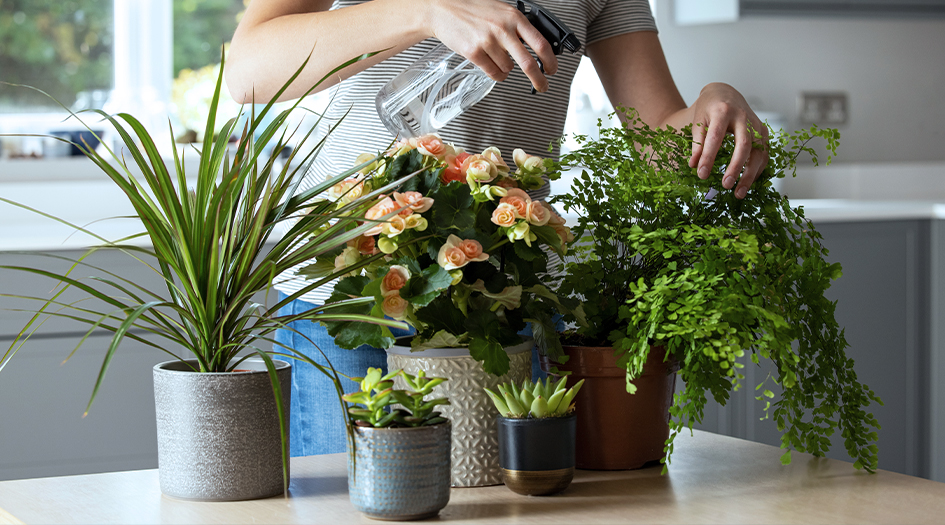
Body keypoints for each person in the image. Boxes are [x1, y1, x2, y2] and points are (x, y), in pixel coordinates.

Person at [225, 0, 769, 457]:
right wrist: (428, 11)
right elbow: (248, 68)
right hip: (354, 298)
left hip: (506, 303)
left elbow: (658, 143)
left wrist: (714, 103)